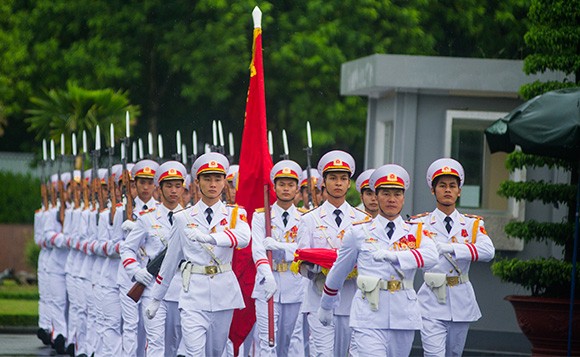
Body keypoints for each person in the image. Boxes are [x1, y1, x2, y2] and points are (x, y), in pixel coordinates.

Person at [317, 164, 438, 355]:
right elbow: (339, 271)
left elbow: (432, 257)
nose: (391, 199)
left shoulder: (416, 231)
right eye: (386, 194)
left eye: (397, 194)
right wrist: (326, 304)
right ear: (376, 196)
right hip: (368, 315)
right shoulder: (359, 233)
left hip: (403, 314)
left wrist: (397, 257)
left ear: (403, 198)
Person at [146, 152, 251, 356]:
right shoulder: (183, 218)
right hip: (193, 292)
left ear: (224, 183)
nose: (212, 184)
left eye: (217, 179)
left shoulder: (235, 213)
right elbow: (170, 261)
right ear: (197, 183)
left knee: (215, 351)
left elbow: (244, 237)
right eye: (207, 179)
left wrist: (210, 238)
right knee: (194, 352)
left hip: (223, 292)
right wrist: (156, 297)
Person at [412, 158, 495, 357]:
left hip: (460, 299)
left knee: (454, 354)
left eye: (452, 185)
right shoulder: (419, 224)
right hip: (431, 299)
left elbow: (488, 251)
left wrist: (452, 248)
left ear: (459, 191)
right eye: (442, 186)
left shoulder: (471, 225)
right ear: (433, 190)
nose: (447, 190)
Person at [296, 150, 369, 357]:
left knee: (350, 353)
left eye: (343, 179)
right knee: (322, 354)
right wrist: (317, 267)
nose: (338, 183)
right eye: (333, 178)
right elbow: (300, 263)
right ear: (324, 183)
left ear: (349, 184)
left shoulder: (362, 219)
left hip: (351, 297)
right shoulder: (309, 219)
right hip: (318, 295)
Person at [120, 161, 186, 357]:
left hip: (180, 288)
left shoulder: (192, 218)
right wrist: (136, 271)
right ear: (160, 188)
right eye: (168, 186)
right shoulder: (147, 218)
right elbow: (127, 249)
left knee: (174, 344)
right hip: (153, 287)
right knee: (155, 343)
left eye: (177, 186)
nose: (173, 191)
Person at [252, 159, 305, 356]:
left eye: (290, 184)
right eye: (281, 184)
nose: (285, 188)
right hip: (268, 283)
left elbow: (304, 250)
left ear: (297, 189)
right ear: (274, 187)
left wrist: (280, 246)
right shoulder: (260, 216)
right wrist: (267, 274)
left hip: (295, 284)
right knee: (267, 341)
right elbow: (257, 249)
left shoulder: (304, 217)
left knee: (293, 340)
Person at [117, 159, 158, 357]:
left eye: (150, 182)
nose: (145, 187)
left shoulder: (159, 211)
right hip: (128, 276)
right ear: (134, 184)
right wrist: (124, 241)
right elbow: (111, 244)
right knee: (130, 326)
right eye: (142, 182)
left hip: (151, 276)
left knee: (149, 327)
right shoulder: (122, 209)